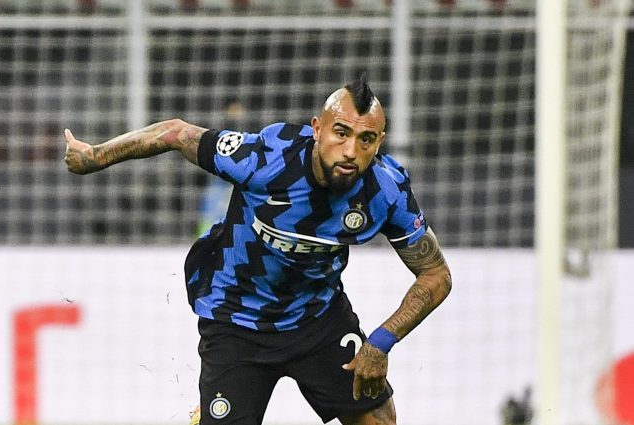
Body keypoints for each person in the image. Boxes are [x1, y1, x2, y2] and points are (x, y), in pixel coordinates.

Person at [63, 76, 452, 425]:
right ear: (317, 129)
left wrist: (381, 342)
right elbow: (176, 133)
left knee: (379, 420)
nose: (351, 150)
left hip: (317, 319)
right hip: (236, 318)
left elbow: (436, 275)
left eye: (365, 139)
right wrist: (95, 156)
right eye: (341, 133)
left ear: (379, 143)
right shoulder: (266, 158)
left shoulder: (386, 191)